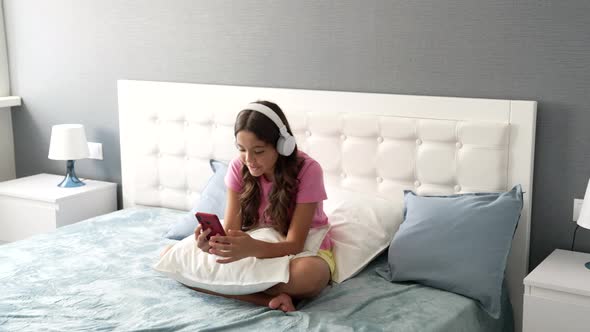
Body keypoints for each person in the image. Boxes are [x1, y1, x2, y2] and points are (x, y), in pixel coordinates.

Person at [193, 100, 334, 312]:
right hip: (255, 243)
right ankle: (266, 300)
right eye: (242, 149)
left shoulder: (309, 170)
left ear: (281, 145)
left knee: (309, 275)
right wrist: (214, 245)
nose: (249, 160)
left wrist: (254, 249)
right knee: (172, 255)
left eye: (258, 151)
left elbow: (295, 244)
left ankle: (233, 288)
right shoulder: (238, 167)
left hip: (300, 247)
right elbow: (232, 231)